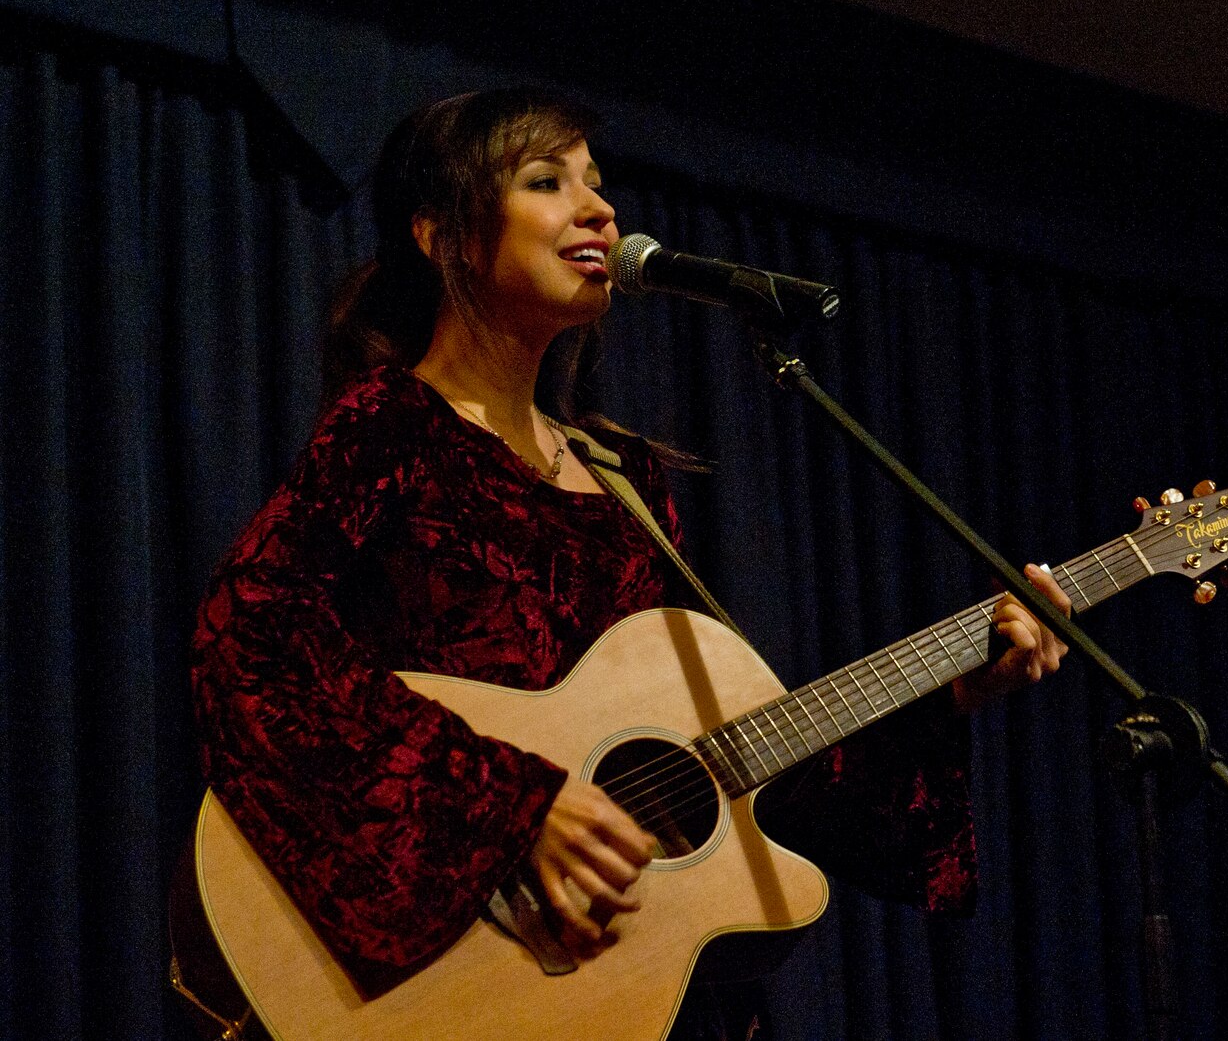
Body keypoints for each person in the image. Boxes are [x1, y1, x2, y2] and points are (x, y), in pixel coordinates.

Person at [186, 88, 1071, 1039]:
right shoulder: (392, 428)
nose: (601, 210)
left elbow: (754, 778)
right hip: (441, 975)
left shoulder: (625, 482)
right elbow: (248, 643)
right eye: (546, 180)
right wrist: (513, 805)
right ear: (439, 233)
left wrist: (952, 693)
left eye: (597, 185)